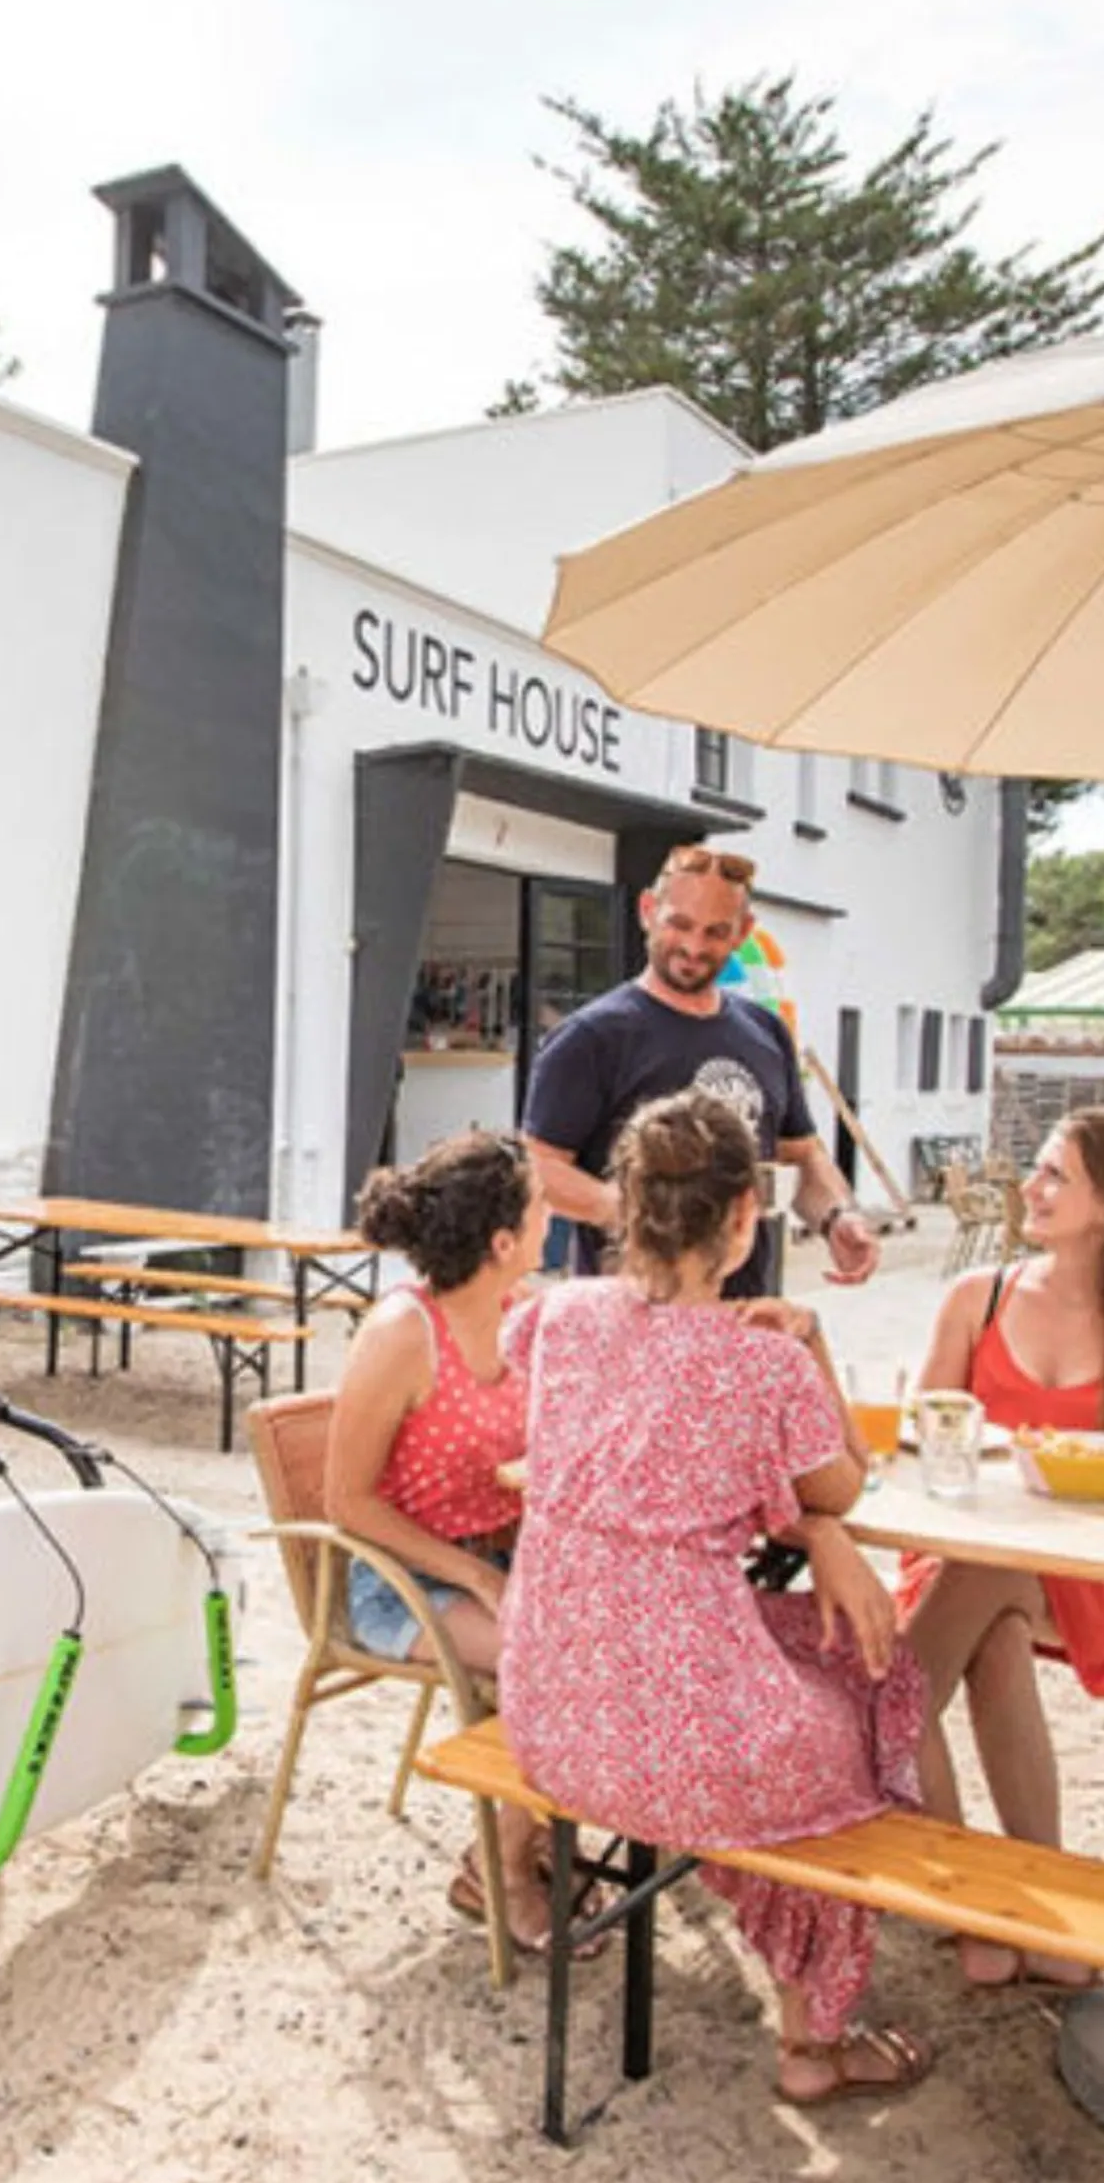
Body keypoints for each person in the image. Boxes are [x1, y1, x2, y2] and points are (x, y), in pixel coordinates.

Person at [499, 1085, 935, 2103]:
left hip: (554, 1716)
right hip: (679, 1746)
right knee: (870, 1686)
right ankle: (811, 2041)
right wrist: (811, 1346)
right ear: (746, 1214)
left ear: (627, 1203)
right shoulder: (765, 1367)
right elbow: (842, 1482)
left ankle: (813, 2011)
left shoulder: (557, 1320)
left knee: (802, 1651)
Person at [898, 1109, 1104, 1985]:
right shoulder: (980, 1298)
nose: (1029, 1190)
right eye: (1036, 1172)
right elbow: (925, 1441)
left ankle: (964, 1896)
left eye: (1053, 1176)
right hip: (968, 1549)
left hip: (1091, 1564)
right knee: (991, 1629)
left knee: (903, 1676)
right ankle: (1023, 1911)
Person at [325, 1130, 555, 1944]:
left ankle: (540, 1830)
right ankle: (498, 1872)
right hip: (398, 1578)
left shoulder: (526, 1316)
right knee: (550, 1660)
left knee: (612, 1632)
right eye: (538, 1209)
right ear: (501, 1242)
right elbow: (346, 1499)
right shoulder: (401, 1332)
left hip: (498, 1558)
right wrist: (478, 1573)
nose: (550, 1217)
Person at [521, 845, 878, 1299]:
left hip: (747, 1314)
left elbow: (802, 1154)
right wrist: (636, 1213)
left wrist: (837, 1217)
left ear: (743, 932)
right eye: (679, 924)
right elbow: (538, 1167)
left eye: (715, 932)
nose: (693, 947)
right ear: (648, 911)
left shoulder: (765, 1031)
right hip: (631, 1318)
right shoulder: (592, 1037)